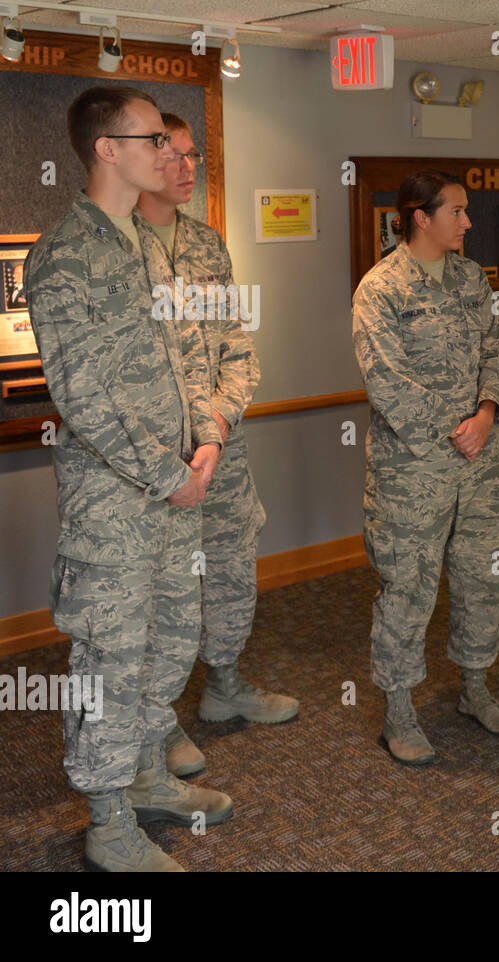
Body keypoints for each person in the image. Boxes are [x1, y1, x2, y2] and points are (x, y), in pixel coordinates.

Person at [24, 86, 233, 872]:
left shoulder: (149, 245)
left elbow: (191, 360)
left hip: (180, 487)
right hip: (116, 503)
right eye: (152, 140)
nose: (169, 154)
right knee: (109, 657)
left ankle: (148, 776)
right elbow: (81, 394)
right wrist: (164, 472)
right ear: (108, 149)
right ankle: (108, 820)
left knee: (169, 639)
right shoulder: (64, 255)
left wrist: (205, 440)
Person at [137, 112, 299, 778]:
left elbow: (237, 344)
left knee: (232, 564)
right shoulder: (117, 249)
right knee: (161, 586)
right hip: (158, 460)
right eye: (172, 155)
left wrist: (219, 428)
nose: (186, 167)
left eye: (193, 155)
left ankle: (224, 682)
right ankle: (158, 716)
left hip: (221, 450)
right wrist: (181, 447)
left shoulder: (207, 244)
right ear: (139, 159)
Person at [352, 170, 499, 766]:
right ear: (420, 217)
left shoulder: (473, 278)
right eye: (457, 212)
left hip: (481, 464)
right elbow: (386, 381)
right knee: (407, 588)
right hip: (413, 471)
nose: (468, 223)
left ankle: (475, 688)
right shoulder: (380, 290)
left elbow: (496, 348)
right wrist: (458, 428)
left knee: (481, 576)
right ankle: (398, 712)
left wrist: (487, 411)